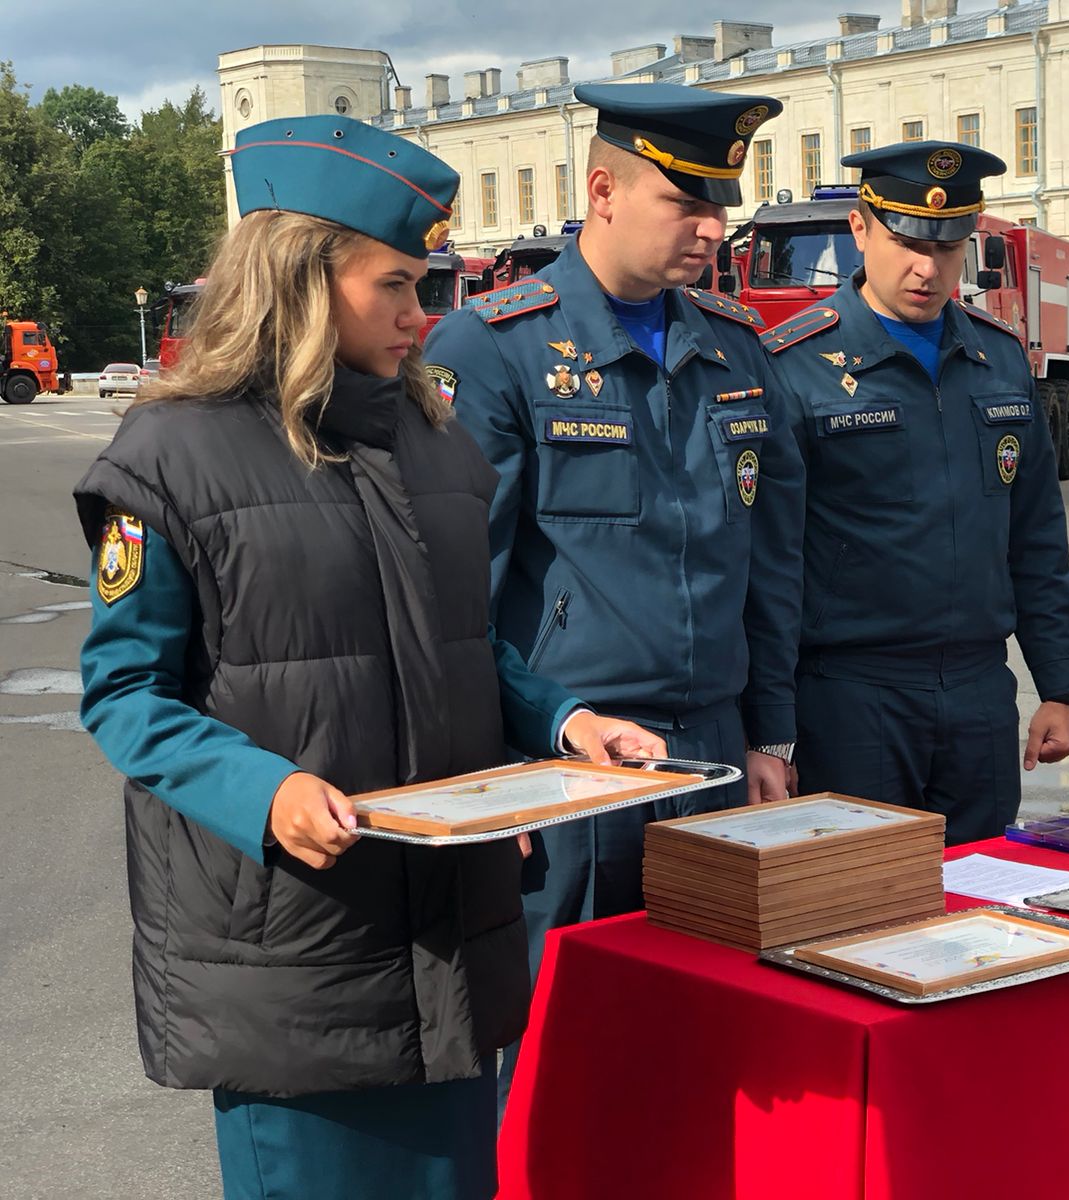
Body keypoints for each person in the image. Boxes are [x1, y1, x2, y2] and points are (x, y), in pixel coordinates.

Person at [75, 114, 664, 1200]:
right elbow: (124, 695)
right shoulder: (165, 457)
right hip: (294, 950)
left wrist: (562, 720)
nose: (419, 316)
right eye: (392, 284)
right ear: (298, 275)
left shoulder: (430, 437)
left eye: (424, 283)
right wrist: (268, 791)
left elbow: (461, 643)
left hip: (446, 934)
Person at [421, 82, 804, 1110]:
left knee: (703, 1066)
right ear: (602, 190)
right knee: (564, 1068)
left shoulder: (733, 344)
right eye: (687, 204)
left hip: (712, 759)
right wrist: (489, 775)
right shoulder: (492, 348)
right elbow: (456, 591)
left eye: (719, 204)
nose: (713, 229)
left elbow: (768, 558)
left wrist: (773, 734)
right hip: (574, 768)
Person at [756, 142, 1069, 845]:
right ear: (860, 228)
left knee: (978, 907)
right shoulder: (794, 364)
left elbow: (1033, 538)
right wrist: (771, 729)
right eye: (906, 242)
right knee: (861, 913)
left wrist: (1058, 686)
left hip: (977, 694)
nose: (926, 267)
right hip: (852, 697)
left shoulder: (996, 358)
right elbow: (770, 566)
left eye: (948, 246)